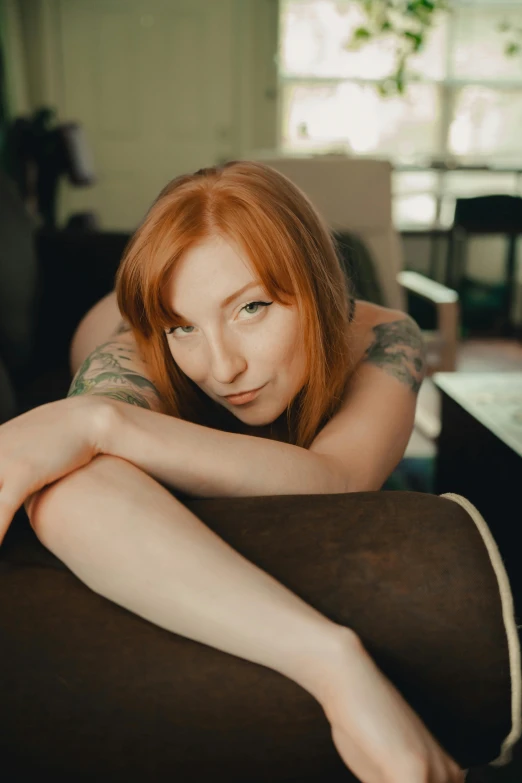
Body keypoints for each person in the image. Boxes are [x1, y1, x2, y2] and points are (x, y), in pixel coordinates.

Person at [0, 161, 465, 782]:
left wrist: (100, 427)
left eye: (251, 309)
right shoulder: (133, 352)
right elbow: (72, 494)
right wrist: (334, 663)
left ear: (319, 288)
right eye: (183, 327)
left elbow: (341, 476)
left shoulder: (384, 338)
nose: (220, 369)